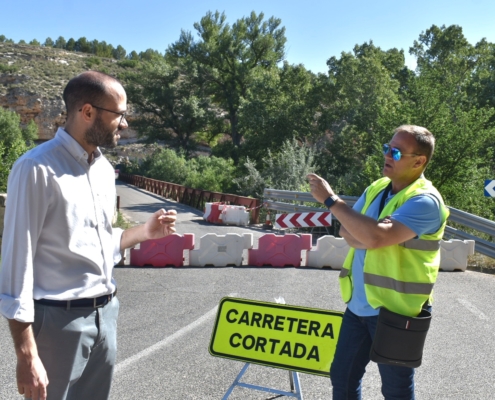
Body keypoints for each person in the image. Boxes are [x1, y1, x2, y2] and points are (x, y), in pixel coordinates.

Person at [0, 71, 177, 400]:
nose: (124, 124)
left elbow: (98, 243)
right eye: (119, 115)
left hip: (106, 315)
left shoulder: (104, 171)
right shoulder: (36, 169)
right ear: (87, 112)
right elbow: (16, 263)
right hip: (57, 323)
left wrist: (144, 232)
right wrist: (26, 355)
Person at [307, 125, 449, 400]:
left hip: (397, 311)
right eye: (387, 147)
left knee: (395, 390)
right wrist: (370, 235)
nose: (387, 155)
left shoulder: (426, 201)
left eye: (396, 151)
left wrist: (331, 200)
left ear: (419, 161)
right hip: (359, 305)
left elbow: (369, 235)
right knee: (342, 377)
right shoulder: (378, 187)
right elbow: (346, 230)